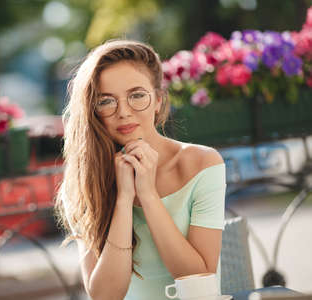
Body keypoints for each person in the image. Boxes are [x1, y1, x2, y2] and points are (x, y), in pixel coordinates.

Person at [55, 39, 226, 300]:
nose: (123, 112)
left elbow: (198, 279)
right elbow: (104, 296)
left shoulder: (202, 163)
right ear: (92, 110)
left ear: (158, 100)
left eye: (136, 96)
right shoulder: (82, 180)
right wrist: (123, 200)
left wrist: (147, 195)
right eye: (106, 101)